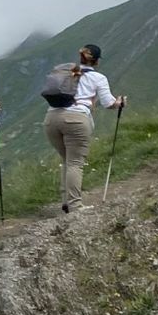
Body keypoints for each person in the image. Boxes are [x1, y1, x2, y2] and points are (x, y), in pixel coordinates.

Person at [42, 43, 126, 214]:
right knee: (75, 162)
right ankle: (75, 206)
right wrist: (120, 102)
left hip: (51, 119)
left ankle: (66, 201)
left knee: (66, 160)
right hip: (76, 120)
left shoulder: (67, 71)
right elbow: (109, 103)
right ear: (96, 61)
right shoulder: (98, 78)